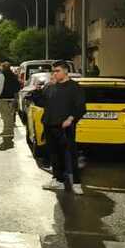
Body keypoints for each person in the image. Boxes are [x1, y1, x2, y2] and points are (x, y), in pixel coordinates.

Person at [36, 61, 86, 192]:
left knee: (70, 154)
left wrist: (70, 119)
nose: (54, 73)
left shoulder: (74, 87)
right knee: (54, 154)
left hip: (65, 127)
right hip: (49, 124)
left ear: (65, 71)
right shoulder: (51, 86)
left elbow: (81, 107)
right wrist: (38, 90)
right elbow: (42, 102)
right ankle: (58, 180)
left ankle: (76, 183)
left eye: (57, 71)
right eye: (53, 71)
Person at [0, 62, 21, 149]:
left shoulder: (2, 75)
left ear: (3, 67)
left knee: (5, 117)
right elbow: (18, 87)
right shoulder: (13, 75)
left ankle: (8, 136)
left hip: (4, 99)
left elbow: (0, 87)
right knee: (10, 116)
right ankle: (8, 132)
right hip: (12, 99)